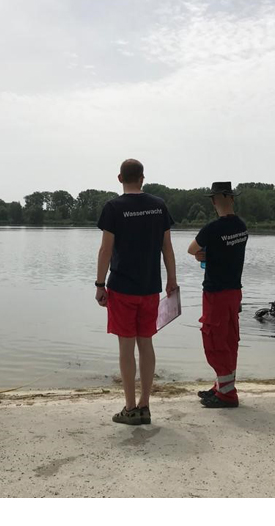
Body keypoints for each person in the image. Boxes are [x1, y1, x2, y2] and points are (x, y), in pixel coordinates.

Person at [95, 159, 178, 425]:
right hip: (150, 288)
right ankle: (145, 406)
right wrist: (171, 280)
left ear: (120, 178)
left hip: (121, 288)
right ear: (142, 178)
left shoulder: (113, 208)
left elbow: (105, 250)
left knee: (126, 347)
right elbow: (167, 247)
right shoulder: (158, 206)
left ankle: (130, 407)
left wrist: (99, 284)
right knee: (146, 344)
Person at [187, 182, 248, 408]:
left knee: (214, 339)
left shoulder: (212, 229)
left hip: (216, 292)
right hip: (235, 291)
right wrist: (208, 255)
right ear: (231, 198)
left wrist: (203, 255)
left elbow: (192, 249)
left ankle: (227, 395)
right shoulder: (241, 227)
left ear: (214, 201)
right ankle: (223, 386)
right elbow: (226, 252)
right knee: (230, 339)